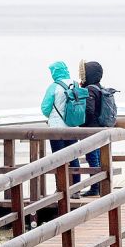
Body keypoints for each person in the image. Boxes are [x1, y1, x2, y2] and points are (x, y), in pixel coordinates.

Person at [40, 61, 80, 192]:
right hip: (73, 126)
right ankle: (76, 188)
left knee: (59, 158)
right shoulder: (75, 84)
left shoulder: (53, 87)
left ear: (54, 72)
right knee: (73, 157)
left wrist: (51, 116)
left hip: (57, 128)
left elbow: (45, 108)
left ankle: (61, 189)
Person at [79, 60, 106, 196]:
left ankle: (95, 188)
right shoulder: (99, 87)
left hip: (91, 130)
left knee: (92, 159)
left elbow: (89, 110)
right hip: (100, 129)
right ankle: (101, 187)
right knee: (99, 158)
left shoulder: (90, 89)